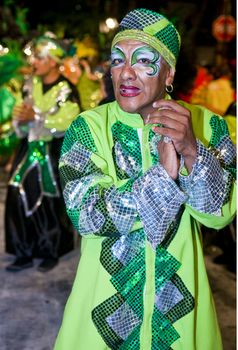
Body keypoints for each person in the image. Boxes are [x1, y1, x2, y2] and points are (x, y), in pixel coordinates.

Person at [54, 8, 236, 350]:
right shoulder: (89, 128)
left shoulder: (207, 126)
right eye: (117, 60)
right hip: (101, 316)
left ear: (169, 73)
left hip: (180, 318)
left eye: (142, 60)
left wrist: (193, 152)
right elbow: (87, 215)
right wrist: (162, 178)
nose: (124, 73)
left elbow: (219, 214)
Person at [5, 36, 80, 272]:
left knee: (50, 200)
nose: (34, 62)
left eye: (39, 57)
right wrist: (21, 118)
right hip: (28, 149)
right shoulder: (30, 84)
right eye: (34, 57)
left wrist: (35, 117)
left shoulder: (66, 88)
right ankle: (23, 250)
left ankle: (51, 250)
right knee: (18, 194)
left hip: (53, 152)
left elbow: (69, 121)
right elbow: (23, 116)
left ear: (52, 61)